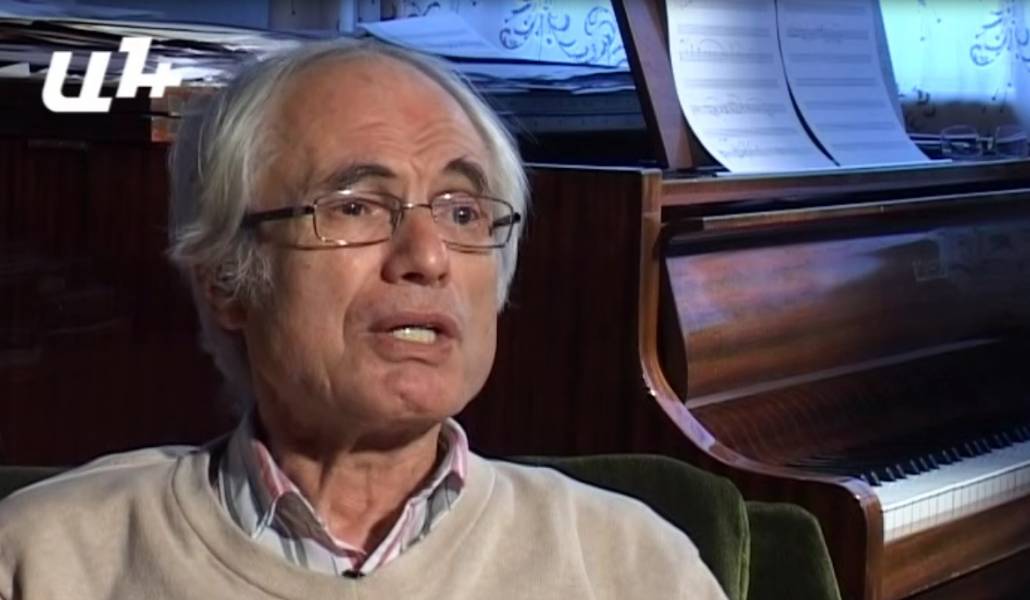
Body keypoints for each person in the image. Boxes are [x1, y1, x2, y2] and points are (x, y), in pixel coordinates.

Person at [0, 39, 727, 600]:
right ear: (226, 279)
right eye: (355, 207)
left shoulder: (631, 564)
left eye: (463, 212)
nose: (428, 257)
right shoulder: (46, 559)